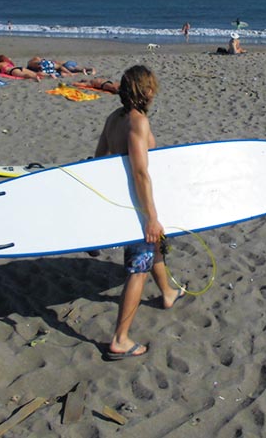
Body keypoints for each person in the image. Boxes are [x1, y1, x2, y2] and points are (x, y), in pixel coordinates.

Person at [94, 65, 184, 360]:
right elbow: (141, 173)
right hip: (137, 205)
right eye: (151, 88)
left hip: (126, 201)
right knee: (138, 269)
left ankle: (168, 293)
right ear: (145, 90)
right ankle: (120, 339)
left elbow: (99, 159)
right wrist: (151, 217)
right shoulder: (137, 122)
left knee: (154, 246)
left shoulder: (113, 119)